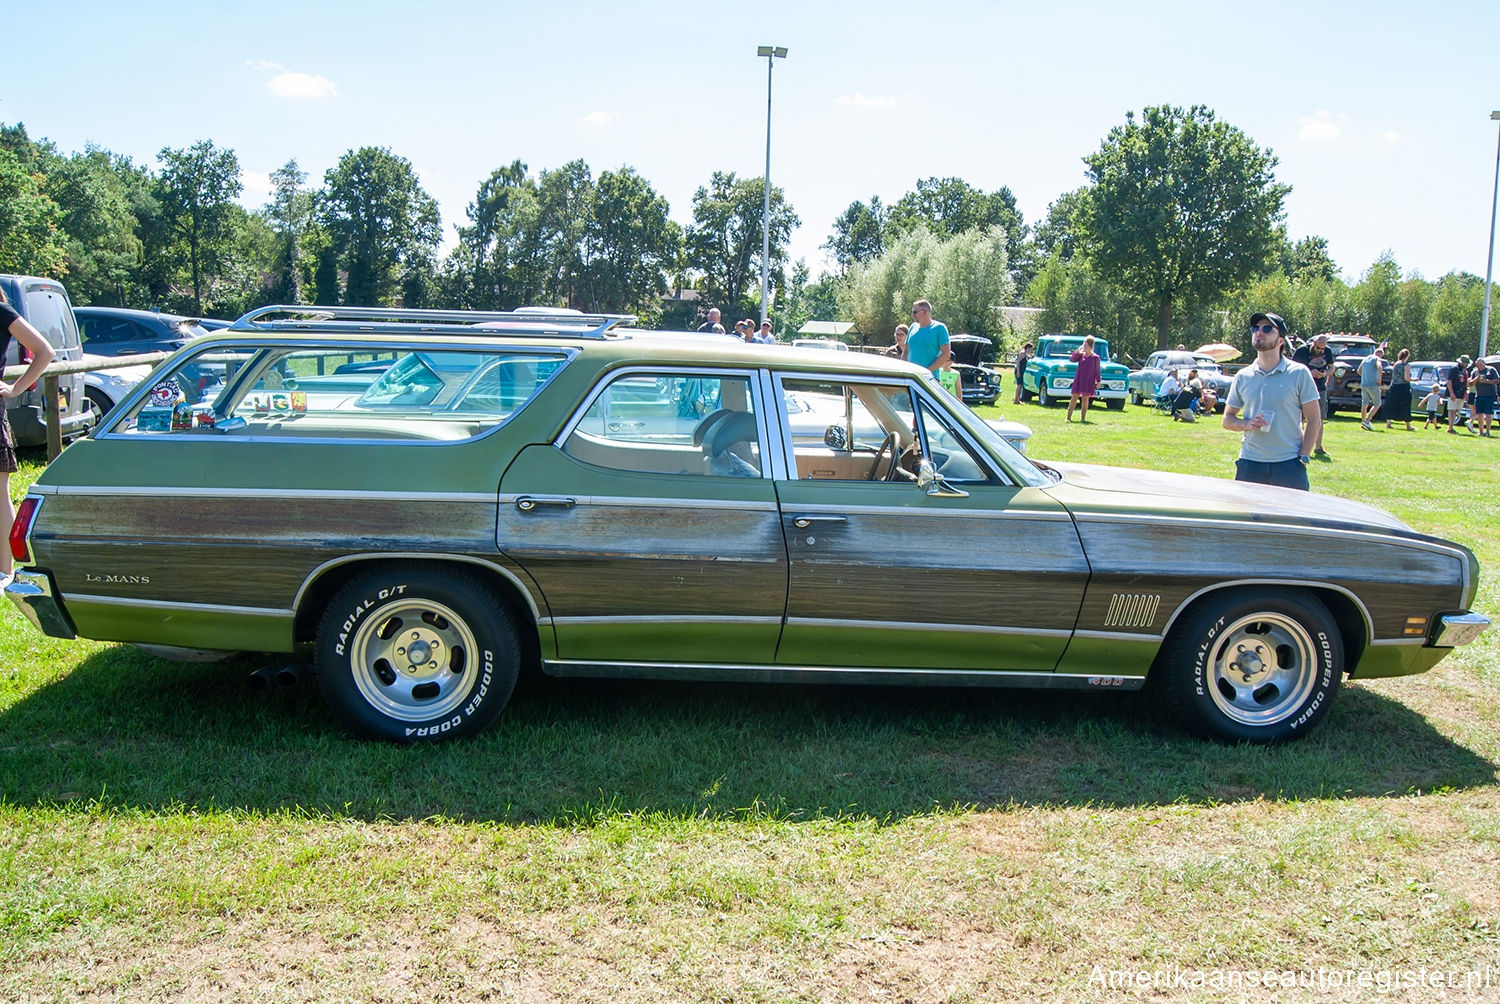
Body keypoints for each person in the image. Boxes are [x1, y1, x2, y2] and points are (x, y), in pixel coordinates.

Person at [1222, 311, 1321, 491]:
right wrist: (1248, 424)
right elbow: (1227, 419)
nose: (1259, 332)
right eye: (1256, 328)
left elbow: (1314, 419)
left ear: (1281, 340)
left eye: (1267, 329)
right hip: (1250, 463)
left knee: (1291, 519)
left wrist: (1303, 457)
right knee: (1247, 518)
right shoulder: (1243, 376)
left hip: (1289, 464)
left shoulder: (1299, 373)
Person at [0, 288, 58, 590]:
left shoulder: (3, 312)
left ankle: (4, 570)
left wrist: (16, 389)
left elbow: (45, 351)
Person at [1290, 332, 1334, 455]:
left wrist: (1324, 374)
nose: (1320, 350)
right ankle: (1300, 446)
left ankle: (1318, 447)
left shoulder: (1327, 352)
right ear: (1313, 343)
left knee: (1319, 418)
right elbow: (1292, 369)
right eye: (1318, 347)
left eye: (1322, 348)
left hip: (1319, 388)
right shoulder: (1301, 351)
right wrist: (1310, 372)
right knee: (1300, 418)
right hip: (1301, 388)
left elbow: (1332, 368)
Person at [905, 299, 950, 375]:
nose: (913, 315)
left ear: (925, 312)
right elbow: (905, 352)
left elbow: (946, 354)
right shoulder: (913, 327)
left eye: (915, 312)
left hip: (929, 377)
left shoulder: (939, 328)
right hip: (911, 377)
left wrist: (926, 371)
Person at [1066, 335, 1101, 423]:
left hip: (1088, 380)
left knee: (1085, 399)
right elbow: (1072, 359)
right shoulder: (1081, 355)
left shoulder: (1095, 358)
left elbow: (1097, 370)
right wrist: (1078, 351)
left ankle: (1083, 419)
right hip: (1079, 379)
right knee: (1074, 397)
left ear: (1090, 347)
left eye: (1086, 346)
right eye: (1084, 345)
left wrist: (1098, 381)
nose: (1084, 348)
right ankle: (1068, 417)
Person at [1385, 348, 1414, 431]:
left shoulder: (1396, 364)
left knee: (1391, 404)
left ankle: (1388, 423)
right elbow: (1406, 378)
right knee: (1405, 405)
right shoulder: (1406, 366)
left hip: (1394, 386)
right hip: (1403, 387)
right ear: (1407, 356)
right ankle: (1408, 425)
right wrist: (1414, 380)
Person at [1358, 345, 1384, 430]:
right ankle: (1367, 420)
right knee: (1377, 403)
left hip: (1364, 383)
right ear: (1380, 355)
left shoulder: (1365, 359)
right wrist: (1379, 379)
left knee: (1365, 403)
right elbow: (1379, 367)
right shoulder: (1377, 359)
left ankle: (1363, 420)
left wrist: (1365, 376)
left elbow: (1359, 371)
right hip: (1373, 384)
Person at [1472, 356, 1499, 437]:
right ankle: (1481, 431)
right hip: (1479, 395)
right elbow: (1470, 383)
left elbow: (1497, 380)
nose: (1479, 367)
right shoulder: (1475, 372)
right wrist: (1476, 379)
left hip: (1489, 395)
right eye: (1478, 365)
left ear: (1484, 364)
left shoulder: (1491, 370)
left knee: (1488, 413)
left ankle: (1487, 431)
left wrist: (1486, 381)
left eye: (1481, 365)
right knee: (1479, 413)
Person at [1448, 357, 1471, 434]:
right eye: (1465, 363)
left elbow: (1465, 383)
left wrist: (1465, 393)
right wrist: (1451, 393)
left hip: (1461, 393)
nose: (1466, 365)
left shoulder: (1465, 371)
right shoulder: (1454, 369)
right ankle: (1450, 428)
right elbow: (1449, 381)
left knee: (1457, 410)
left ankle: (1451, 427)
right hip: (1454, 393)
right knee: (1452, 410)